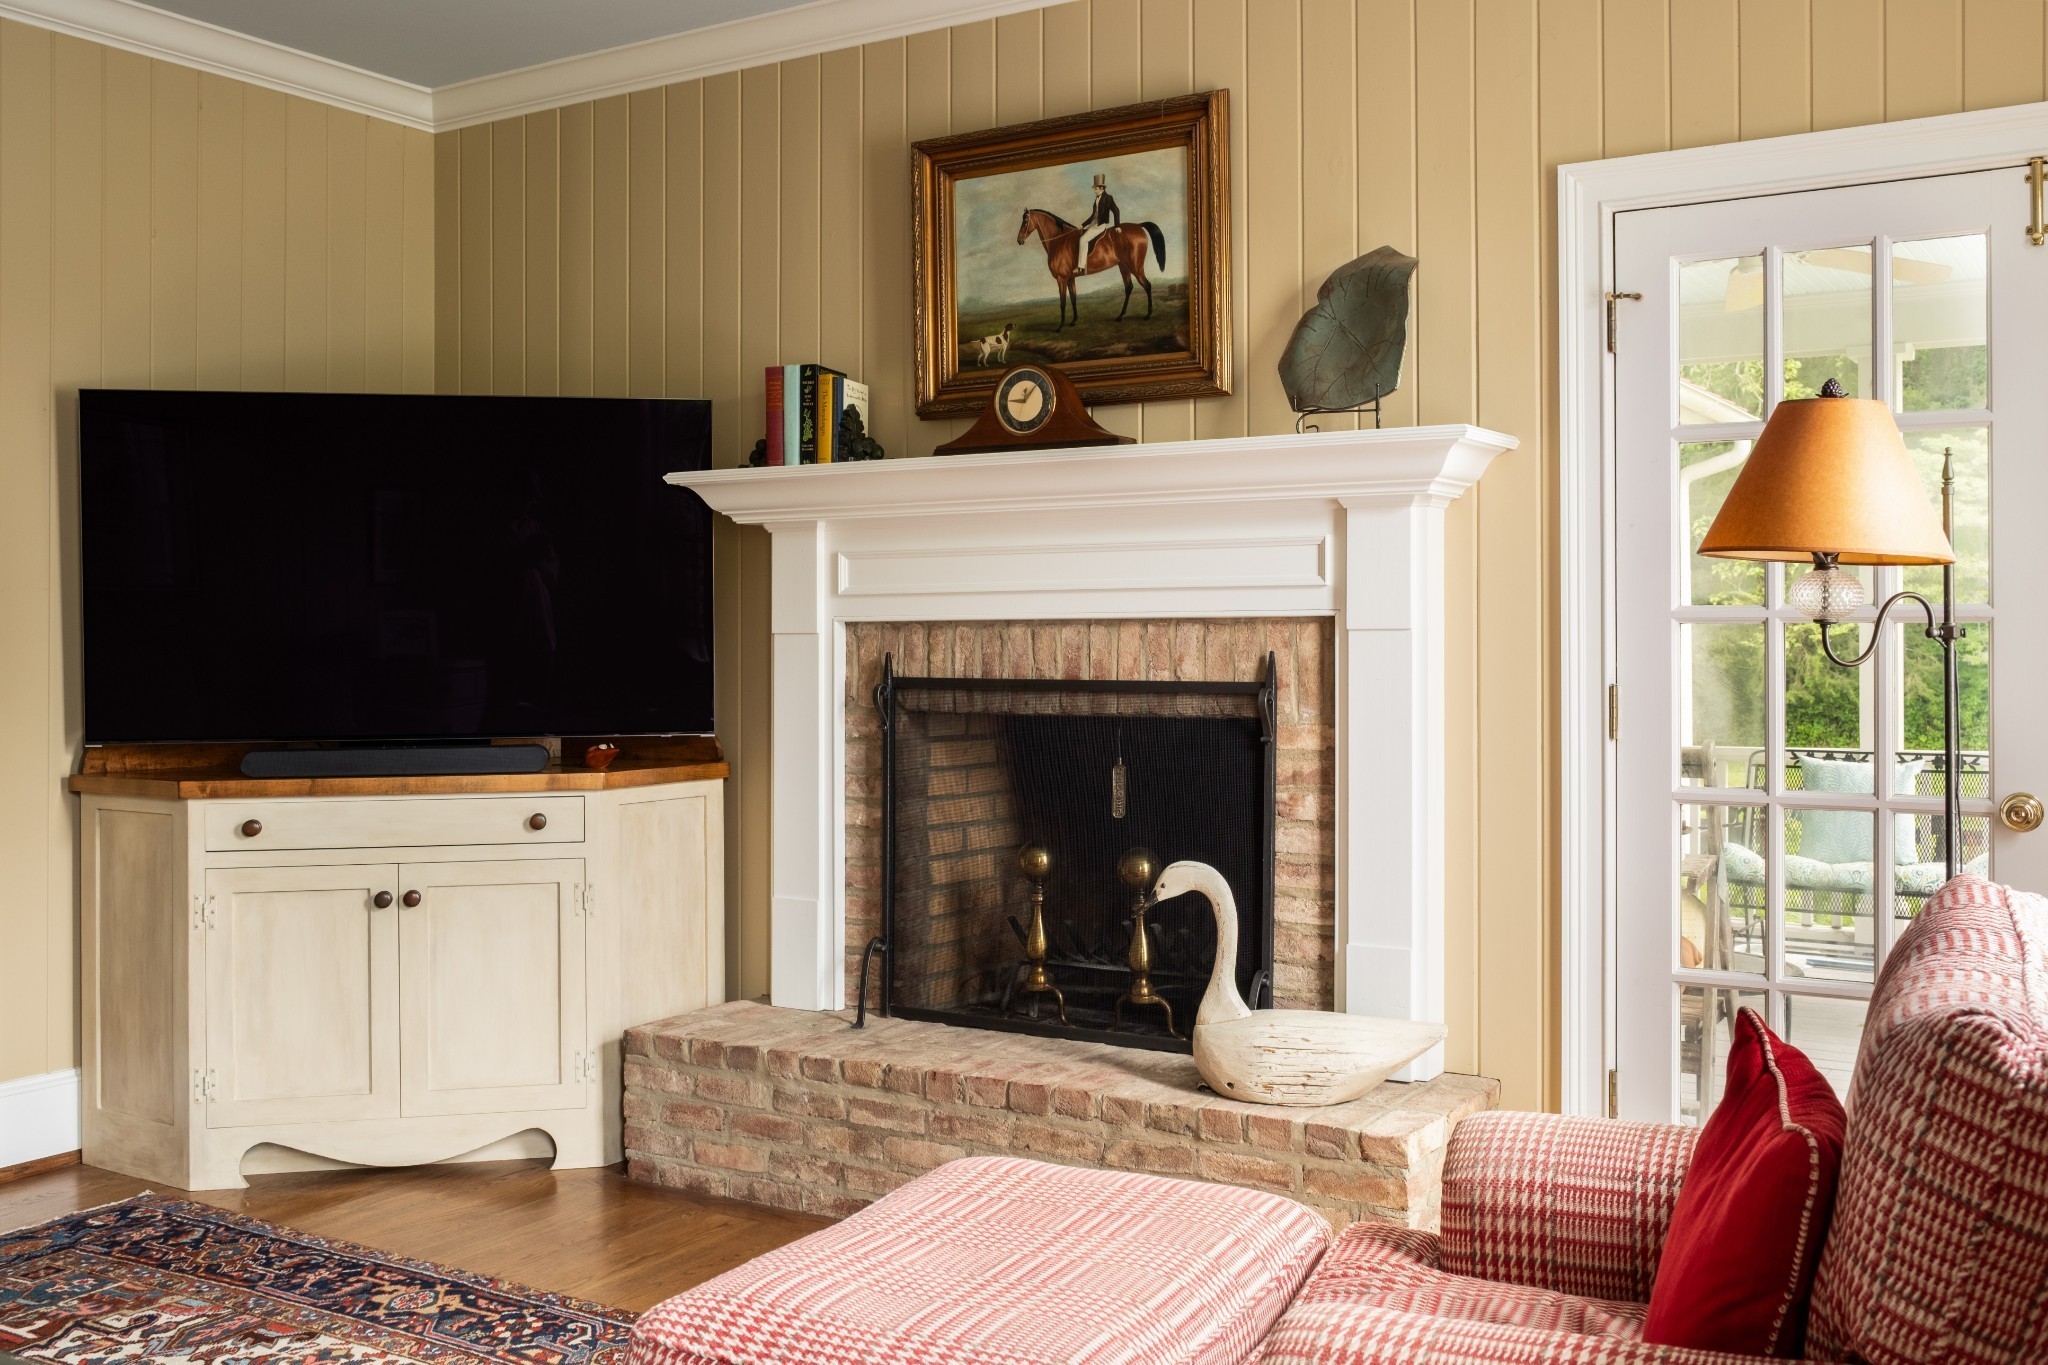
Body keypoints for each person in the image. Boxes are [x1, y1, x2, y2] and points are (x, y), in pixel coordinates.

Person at [1076, 173, 1121, 272]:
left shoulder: (1108, 198)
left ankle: (1081, 267)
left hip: (1100, 225)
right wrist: (1083, 225)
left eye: (1095, 188)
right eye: (1094, 188)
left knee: (1083, 240)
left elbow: (1116, 210)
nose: (1094, 190)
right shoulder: (1096, 199)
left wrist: (1117, 225)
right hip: (1093, 223)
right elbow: (1093, 215)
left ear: (1101, 188)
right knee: (1081, 234)